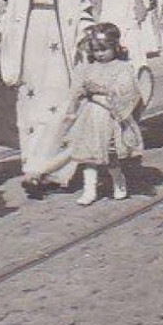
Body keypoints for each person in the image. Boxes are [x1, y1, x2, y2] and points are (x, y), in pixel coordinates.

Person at [0, 0, 92, 196]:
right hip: (30, 44)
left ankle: (55, 168)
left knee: (60, 104)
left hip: (62, 43)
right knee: (30, 107)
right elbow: (12, 12)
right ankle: (33, 166)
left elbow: (85, 7)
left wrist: (86, 33)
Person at [58, 22, 146, 206]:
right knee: (88, 155)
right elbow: (75, 91)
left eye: (104, 49)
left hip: (110, 116)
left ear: (115, 47)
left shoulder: (122, 68)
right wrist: (81, 92)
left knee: (111, 155)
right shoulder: (86, 68)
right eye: (96, 50)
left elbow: (127, 91)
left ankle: (118, 180)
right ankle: (89, 189)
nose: (100, 54)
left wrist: (103, 90)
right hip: (90, 116)